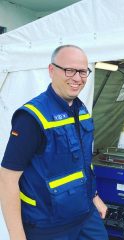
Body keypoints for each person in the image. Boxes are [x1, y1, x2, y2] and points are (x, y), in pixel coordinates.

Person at [0, 45, 108, 240]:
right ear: (51, 70)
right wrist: (17, 236)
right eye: (69, 70)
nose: (77, 78)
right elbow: (7, 179)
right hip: (48, 226)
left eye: (83, 72)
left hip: (84, 216)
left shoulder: (81, 111)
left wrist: (94, 196)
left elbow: (83, 162)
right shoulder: (31, 118)